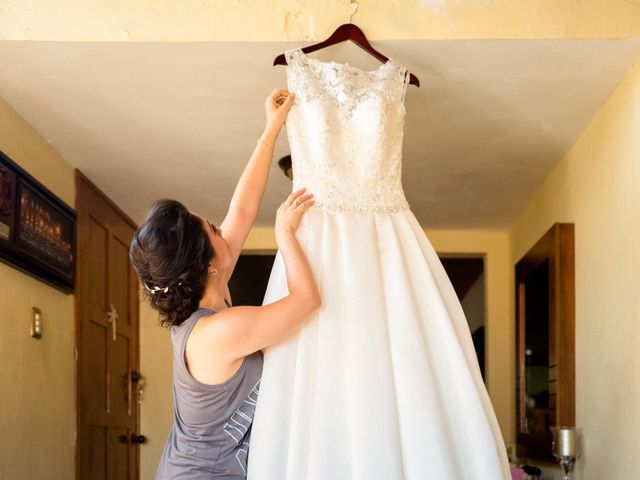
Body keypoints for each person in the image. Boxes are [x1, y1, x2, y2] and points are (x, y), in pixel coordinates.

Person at [129, 88, 320, 479]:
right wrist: (285, 235)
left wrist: (271, 128)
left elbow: (244, 208)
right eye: (215, 230)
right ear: (208, 264)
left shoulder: (207, 294)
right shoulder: (216, 332)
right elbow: (306, 300)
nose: (224, 229)